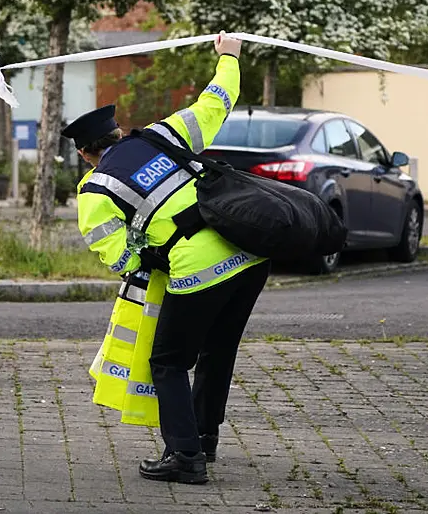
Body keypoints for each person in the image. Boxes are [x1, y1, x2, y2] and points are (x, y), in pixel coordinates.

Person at [62, 32, 271, 485]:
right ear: (119, 131)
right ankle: (204, 440)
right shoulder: (165, 133)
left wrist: (155, 251)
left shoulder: (95, 190)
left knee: (169, 361)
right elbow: (218, 99)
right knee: (217, 350)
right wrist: (229, 55)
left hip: (200, 269)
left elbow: (120, 257)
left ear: (84, 153)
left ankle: (184, 457)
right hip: (250, 255)